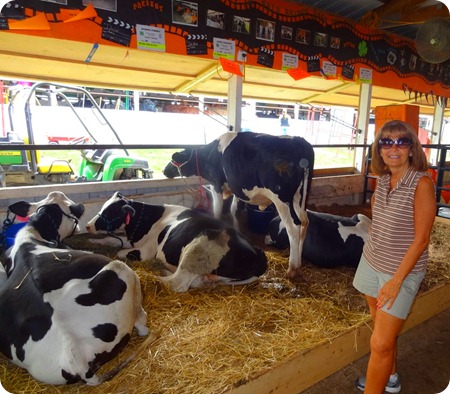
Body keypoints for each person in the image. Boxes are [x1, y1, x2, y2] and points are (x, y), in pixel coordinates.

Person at [353, 120, 436, 393]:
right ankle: (390, 377)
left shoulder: (421, 183)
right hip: (372, 260)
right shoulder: (383, 178)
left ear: (412, 148)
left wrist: (397, 280)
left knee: (380, 343)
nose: (394, 148)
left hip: (398, 272)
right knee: (381, 331)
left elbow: (421, 239)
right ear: (379, 149)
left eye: (401, 141)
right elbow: (379, 222)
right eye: (386, 142)